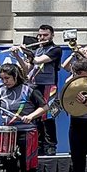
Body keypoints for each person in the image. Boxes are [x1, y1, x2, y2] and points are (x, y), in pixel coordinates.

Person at [12, 25, 62, 155]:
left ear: (52, 35)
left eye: (45, 35)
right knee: (35, 117)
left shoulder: (55, 49)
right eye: (40, 35)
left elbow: (38, 61)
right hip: (34, 86)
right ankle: (38, 145)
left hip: (48, 86)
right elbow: (26, 69)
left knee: (48, 116)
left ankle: (50, 145)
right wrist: (17, 55)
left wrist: (27, 51)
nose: (41, 38)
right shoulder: (36, 50)